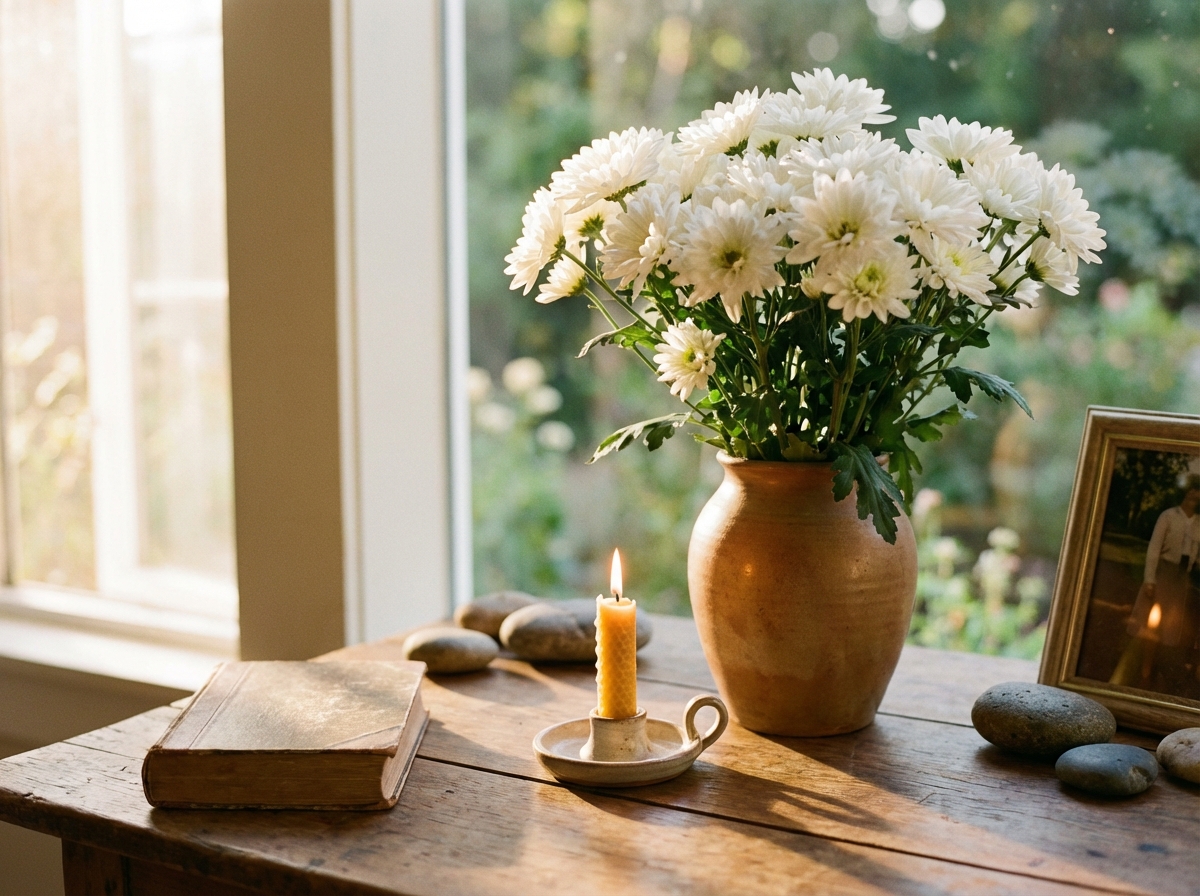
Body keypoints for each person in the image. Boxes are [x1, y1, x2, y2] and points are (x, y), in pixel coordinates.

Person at [1110, 479, 1200, 689]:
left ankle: (1157, 670)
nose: (1194, 497)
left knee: (1171, 626)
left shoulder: (1198, 523)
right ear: (1186, 494)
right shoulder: (1168, 516)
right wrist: (1150, 579)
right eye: (1192, 492)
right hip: (1163, 572)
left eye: (1198, 494)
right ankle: (1131, 667)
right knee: (1146, 622)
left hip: (1182, 576)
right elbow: (1153, 549)